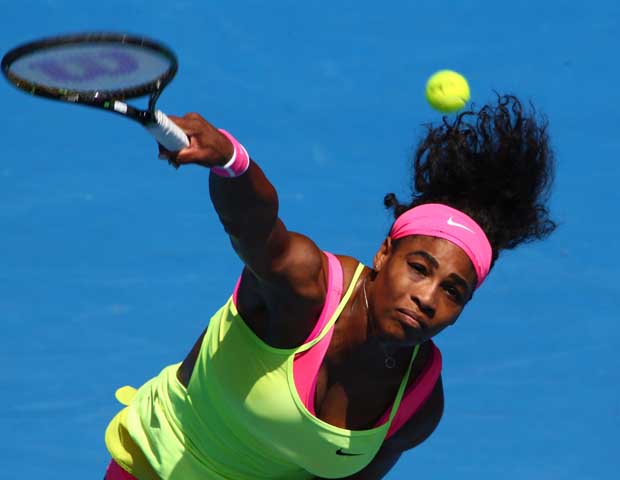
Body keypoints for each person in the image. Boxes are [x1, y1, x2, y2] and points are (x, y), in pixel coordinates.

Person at [104, 94, 556, 480]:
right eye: (419, 268)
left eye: (453, 292)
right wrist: (231, 163)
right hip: (156, 467)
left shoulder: (417, 402)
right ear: (384, 254)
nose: (427, 298)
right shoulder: (305, 288)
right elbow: (254, 227)